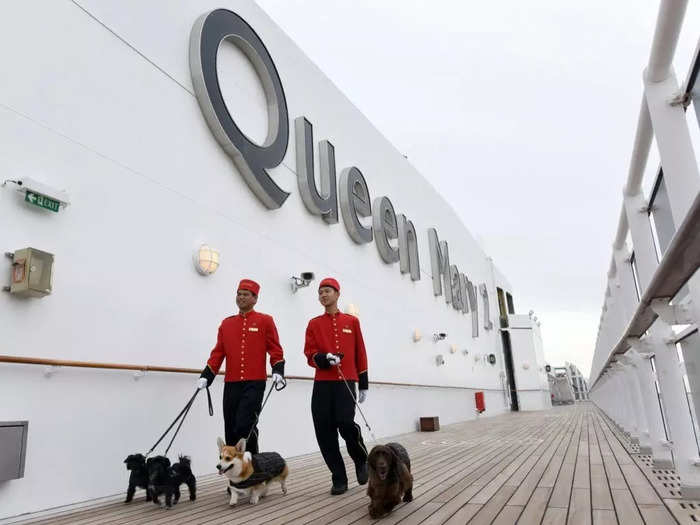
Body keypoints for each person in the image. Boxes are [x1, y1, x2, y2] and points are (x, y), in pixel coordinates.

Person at [198, 279, 284, 454]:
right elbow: (218, 353)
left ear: (255, 298)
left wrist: (278, 369)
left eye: (246, 294)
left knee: (245, 424)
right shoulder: (226, 324)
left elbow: (275, 349)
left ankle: (252, 467)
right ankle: (235, 472)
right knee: (230, 426)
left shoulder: (265, 320)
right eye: (239, 294)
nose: (241, 297)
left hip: (255, 383)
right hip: (232, 383)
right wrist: (207, 375)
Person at [304, 277, 369, 495]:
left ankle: (362, 460)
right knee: (324, 432)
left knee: (345, 422)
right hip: (322, 384)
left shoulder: (352, 322)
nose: (323, 295)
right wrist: (323, 358)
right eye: (320, 292)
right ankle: (339, 478)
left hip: (346, 382)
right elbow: (309, 353)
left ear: (337, 294)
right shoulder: (314, 323)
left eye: (327, 291)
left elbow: (360, 352)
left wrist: (364, 384)